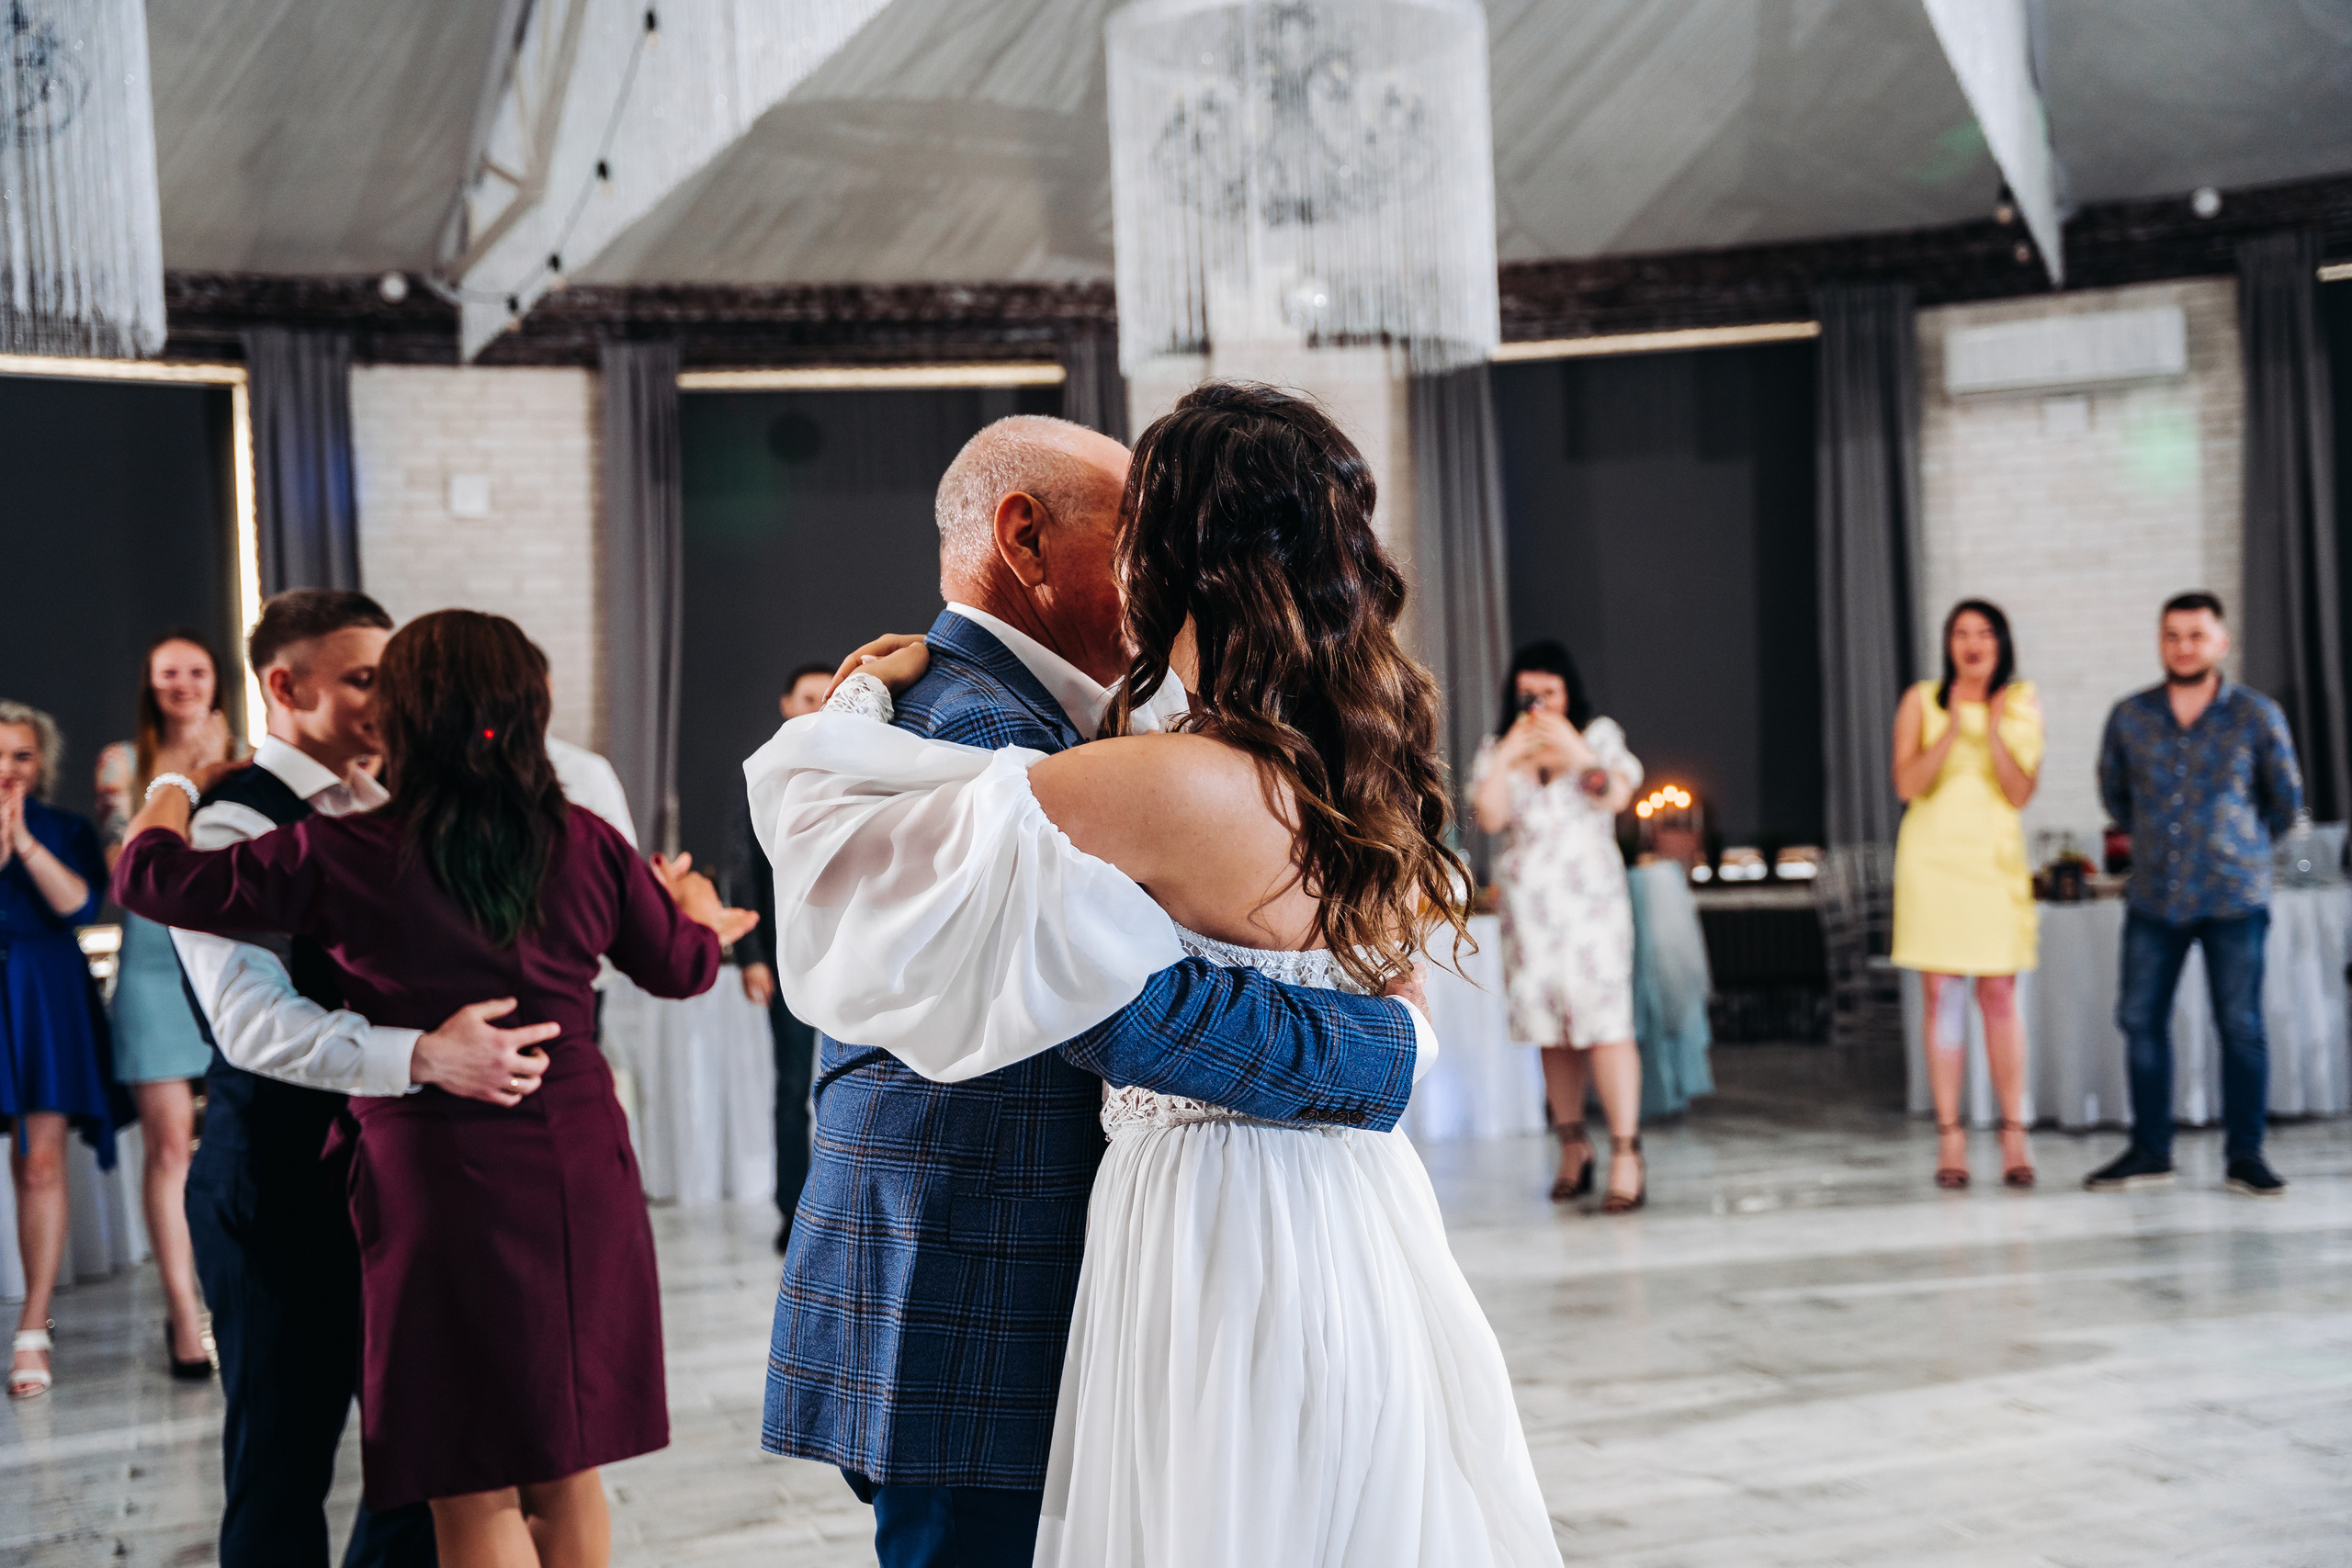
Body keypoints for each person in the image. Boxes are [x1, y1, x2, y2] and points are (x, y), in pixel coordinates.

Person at [750, 390, 1558, 1567]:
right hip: (991, 1292)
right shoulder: (1020, 728)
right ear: (1024, 539)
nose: (1136, 567)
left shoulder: (1143, 759)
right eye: (1122, 529)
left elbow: (826, 819)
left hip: (1192, 1238)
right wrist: (1396, 1045)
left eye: (1150, 534)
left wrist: (853, 702)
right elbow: (1093, 992)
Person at [118, 608, 753, 1566]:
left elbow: (150, 876)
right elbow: (682, 966)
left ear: (408, 714)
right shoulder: (584, 840)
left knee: (467, 1472)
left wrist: (172, 778)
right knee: (564, 1461)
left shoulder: (348, 850)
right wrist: (696, 912)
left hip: (437, 1171)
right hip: (578, 1164)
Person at [133, 591, 558, 1568]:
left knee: (419, 1459)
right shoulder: (231, 821)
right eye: (366, 679)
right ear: (286, 687)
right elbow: (249, 1021)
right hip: (276, 1181)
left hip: (404, 1183)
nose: (390, 698)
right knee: (282, 1467)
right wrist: (423, 1055)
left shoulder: (394, 806)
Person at [2086, 592, 2303, 1198]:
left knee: (2240, 1025)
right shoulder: (2130, 716)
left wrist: (2240, 846)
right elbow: (2115, 794)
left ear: (2221, 642)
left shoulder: (2257, 715)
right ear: (2161, 642)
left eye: (2196, 635)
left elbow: (2286, 801)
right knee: (2139, 1019)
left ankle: (2246, 1156)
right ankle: (2151, 1150)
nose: (2183, 646)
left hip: (2235, 896)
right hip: (2154, 896)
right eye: (2172, 635)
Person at [94, 629, 243, 1378]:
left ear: (217, 680)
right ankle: (184, 1312)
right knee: (170, 1146)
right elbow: (129, 869)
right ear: (150, 684)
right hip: (152, 967)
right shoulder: (121, 764)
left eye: (196, 671)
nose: (182, 683)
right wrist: (188, 779)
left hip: (229, 961)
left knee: (237, 1137)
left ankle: (236, 1289)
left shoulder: (248, 759)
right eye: (168, 673)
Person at [1468, 641, 1647, 1212]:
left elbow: (1615, 795)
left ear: (1568, 692)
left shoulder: (1597, 736)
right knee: (1548, 1027)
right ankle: (1573, 1146)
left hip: (1591, 906)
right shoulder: (1500, 746)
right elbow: (1490, 817)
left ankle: (1626, 1152)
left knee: (1606, 1021)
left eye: (1549, 691)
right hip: (1530, 911)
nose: (1539, 703)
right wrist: (1506, 756)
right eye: (1529, 693)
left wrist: (1573, 749)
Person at [1890, 600, 2044, 1190]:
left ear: (2001, 643)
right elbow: (1908, 784)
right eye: (1960, 633)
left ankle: (2014, 1133)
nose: (1972, 644)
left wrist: (1993, 729)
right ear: (1948, 643)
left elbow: (2019, 792)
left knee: (1999, 994)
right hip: (1934, 861)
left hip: (1992, 863)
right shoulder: (1920, 699)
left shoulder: (2022, 702)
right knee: (1942, 994)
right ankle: (1950, 1136)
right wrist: (1954, 725)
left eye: (1984, 633)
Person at [1, 702, 116, 1401]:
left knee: (40, 1162)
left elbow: (79, 907)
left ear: (41, 763)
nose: (8, 767)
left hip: (43, 993)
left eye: (22, 754)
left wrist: (23, 843)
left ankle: (34, 1324)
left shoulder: (67, 829)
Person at [726, 661, 832, 1254]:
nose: (819, 706)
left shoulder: (857, 764)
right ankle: (792, 1213)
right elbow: (743, 868)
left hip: (844, 958)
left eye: (828, 696)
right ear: (787, 705)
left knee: (842, 1088)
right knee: (792, 1088)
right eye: (808, 697)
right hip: (784, 958)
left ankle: (833, 1213)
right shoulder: (765, 770)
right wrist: (750, 957)